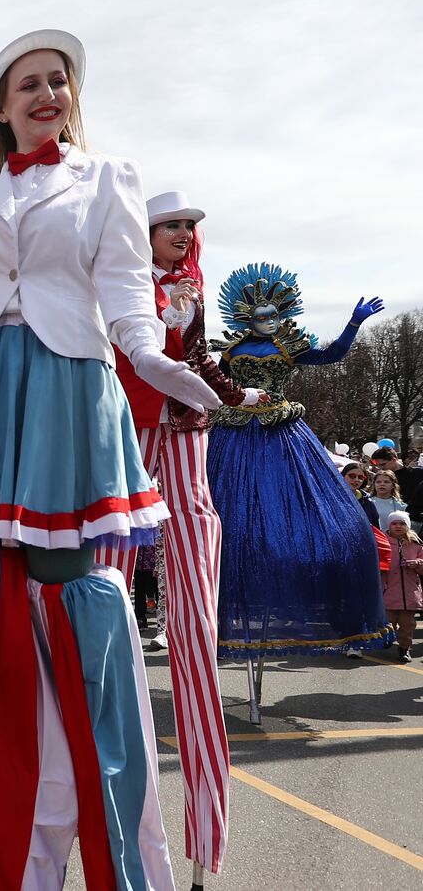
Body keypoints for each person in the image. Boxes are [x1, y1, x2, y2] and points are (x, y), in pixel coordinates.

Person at [0, 14, 221, 887]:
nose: (46, 94)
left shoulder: (108, 177)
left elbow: (122, 280)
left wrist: (146, 354)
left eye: (57, 81)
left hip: (69, 380)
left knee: (68, 576)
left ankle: (80, 761)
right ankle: (7, 768)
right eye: (27, 84)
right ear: (1, 110)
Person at [91, 191, 263, 877]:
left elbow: (196, 359)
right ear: (147, 233)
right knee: (101, 601)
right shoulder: (123, 284)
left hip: (184, 436)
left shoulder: (190, 289)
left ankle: (205, 831)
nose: (183, 234)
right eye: (172, 225)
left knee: (196, 627)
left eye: (189, 226)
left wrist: (236, 393)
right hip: (128, 433)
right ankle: (92, 804)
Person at [206, 266, 393, 657]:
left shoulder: (289, 346)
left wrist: (353, 324)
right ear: (246, 316)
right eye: (259, 316)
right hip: (234, 431)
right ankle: (212, 616)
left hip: (282, 432)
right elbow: (212, 383)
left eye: (273, 315)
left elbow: (332, 355)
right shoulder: (232, 350)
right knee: (229, 516)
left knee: (313, 515)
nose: (267, 321)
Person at [381, 512, 422, 663]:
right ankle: (386, 640)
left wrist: (417, 563)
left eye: (402, 523)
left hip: (409, 593)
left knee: (407, 625)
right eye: (394, 523)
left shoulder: (416, 543)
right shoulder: (382, 542)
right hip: (388, 590)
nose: (398, 526)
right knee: (387, 621)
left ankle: (404, 648)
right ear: (389, 525)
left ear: (408, 526)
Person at [342, 462, 382, 526]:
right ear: (342, 476)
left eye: (360, 477)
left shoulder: (367, 501)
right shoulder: (331, 498)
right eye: (352, 476)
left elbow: (375, 526)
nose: (356, 480)